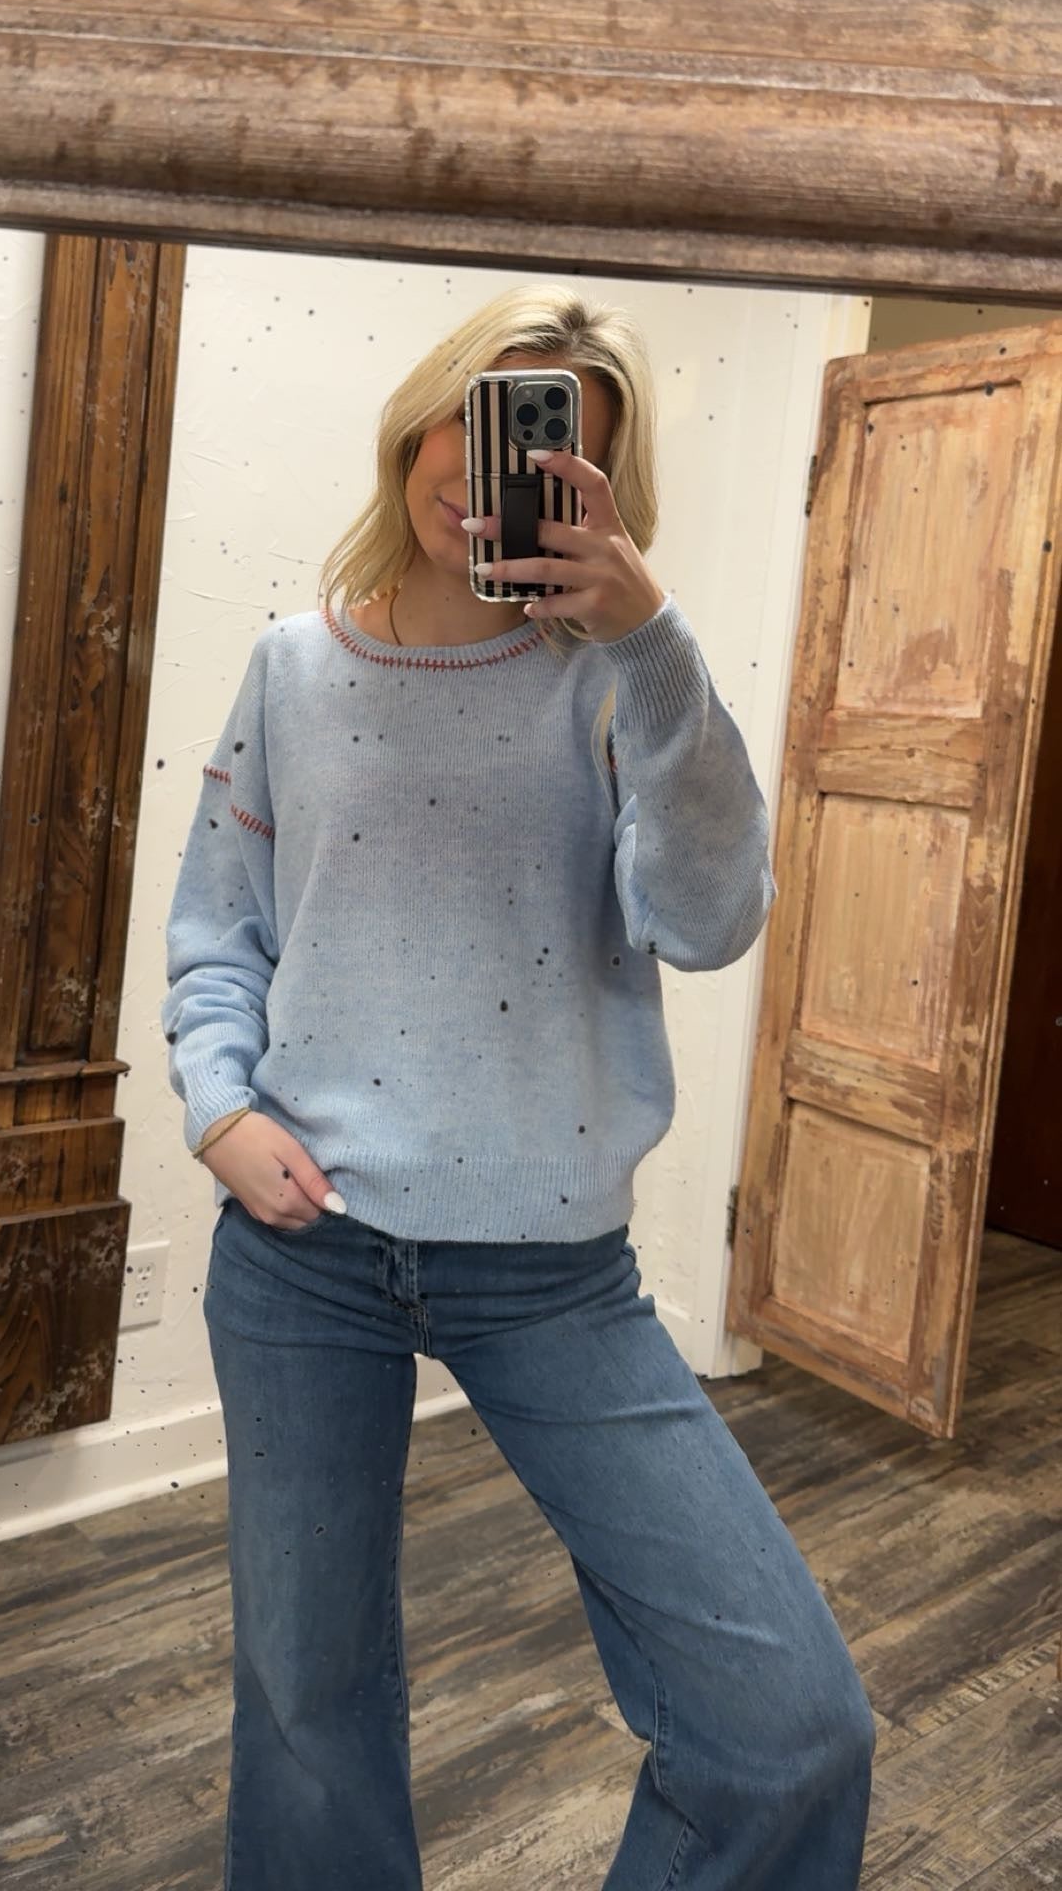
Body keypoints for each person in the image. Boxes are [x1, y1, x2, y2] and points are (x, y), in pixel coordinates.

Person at [161, 283, 876, 1890]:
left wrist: (652, 640)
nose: (482, 474)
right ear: (417, 421)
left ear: (595, 489)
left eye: (547, 450)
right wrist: (220, 1108)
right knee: (306, 1705)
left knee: (788, 1726)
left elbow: (706, 923)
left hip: (551, 1269)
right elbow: (218, 931)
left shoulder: (619, 680)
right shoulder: (289, 668)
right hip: (300, 1255)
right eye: (472, 420)